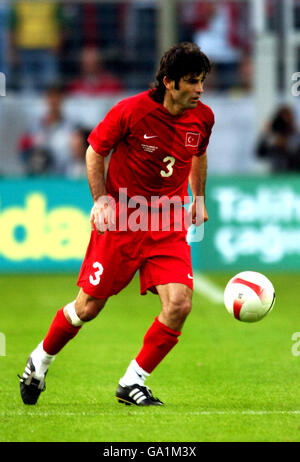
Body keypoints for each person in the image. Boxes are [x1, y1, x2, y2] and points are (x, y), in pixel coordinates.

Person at [18, 42, 214, 407]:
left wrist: (198, 198)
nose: (199, 90)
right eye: (192, 82)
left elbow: (198, 154)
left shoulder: (202, 117)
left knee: (179, 304)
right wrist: (101, 200)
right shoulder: (131, 111)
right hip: (123, 220)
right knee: (87, 308)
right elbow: (95, 149)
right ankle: (40, 360)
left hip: (167, 221)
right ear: (169, 82)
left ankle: (133, 381)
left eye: (202, 81)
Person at [18, 83, 74, 175]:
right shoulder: (35, 125)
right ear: (46, 99)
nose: (54, 101)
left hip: (63, 175)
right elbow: (24, 149)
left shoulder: (70, 126)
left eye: (57, 97)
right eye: (51, 97)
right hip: (40, 174)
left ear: (62, 100)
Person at [256, 105, 300, 172]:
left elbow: (297, 158)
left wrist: (286, 144)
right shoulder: (272, 136)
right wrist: (264, 135)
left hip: (294, 175)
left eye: (288, 117)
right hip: (275, 175)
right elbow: (259, 154)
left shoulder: (295, 136)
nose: (285, 122)